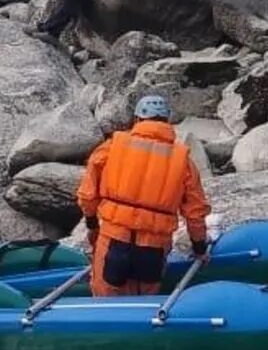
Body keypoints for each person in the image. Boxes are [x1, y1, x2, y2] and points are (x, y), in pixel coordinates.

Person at [77, 95, 211, 296]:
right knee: (144, 301)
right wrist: (199, 248)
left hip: (114, 239)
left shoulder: (113, 147)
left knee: (105, 297)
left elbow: (87, 195)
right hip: (153, 248)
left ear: (137, 120)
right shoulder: (183, 161)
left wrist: (92, 225)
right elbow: (195, 212)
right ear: (167, 121)